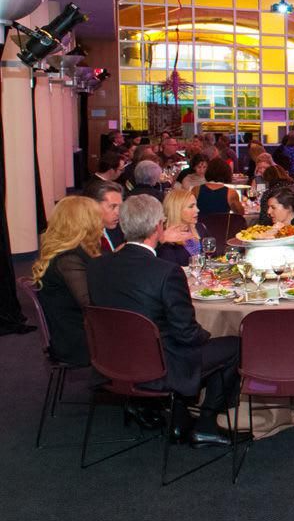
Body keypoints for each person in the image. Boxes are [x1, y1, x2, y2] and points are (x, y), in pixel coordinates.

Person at [87, 195, 242, 447]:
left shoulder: (96, 267)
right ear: (159, 226)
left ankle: (178, 416)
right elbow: (187, 334)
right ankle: (206, 424)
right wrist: (209, 334)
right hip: (159, 366)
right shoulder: (166, 272)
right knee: (235, 345)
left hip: (112, 359)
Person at [31, 196, 104, 367]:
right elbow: (90, 304)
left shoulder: (71, 251)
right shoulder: (69, 258)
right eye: (97, 218)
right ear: (85, 223)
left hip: (76, 328)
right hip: (77, 339)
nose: (101, 223)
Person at [157, 188, 212, 268]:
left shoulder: (200, 228)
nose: (197, 210)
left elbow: (213, 258)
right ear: (177, 210)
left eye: (196, 205)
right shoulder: (166, 238)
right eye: (191, 206)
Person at [84, 180, 125, 253]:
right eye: (113, 206)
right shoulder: (82, 238)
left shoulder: (120, 230)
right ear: (94, 206)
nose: (118, 212)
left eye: (120, 206)